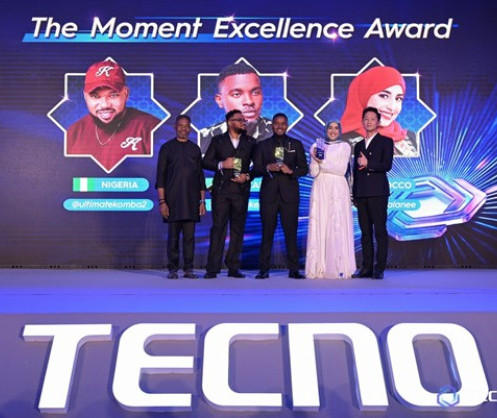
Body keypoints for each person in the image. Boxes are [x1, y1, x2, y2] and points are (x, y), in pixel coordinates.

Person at [67, 59, 161, 172]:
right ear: (85, 96)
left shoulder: (150, 128)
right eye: (95, 96)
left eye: (113, 95)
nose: (104, 104)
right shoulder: (75, 131)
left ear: (126, 93)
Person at [252, 113, 308, 279]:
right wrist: (267, 167)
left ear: (287, 125)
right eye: (277, 123)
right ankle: (263, 269)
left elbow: (304, 169)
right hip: (268, 195)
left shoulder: (296, 144)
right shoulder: (262, 145)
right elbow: (256, 169)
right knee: (267, 233)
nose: (280, 126)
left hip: (289, 195)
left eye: (283, 123)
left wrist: (291, 171)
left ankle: (294, 269)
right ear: (272, 125)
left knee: (291, 233)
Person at [202, 109, 256, 278]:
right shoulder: (218, 140)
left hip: (241, 192)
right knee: (218, 228)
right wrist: (221, 164)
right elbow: (206, 162)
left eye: (243, 120)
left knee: (237, 229)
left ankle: (233, 266)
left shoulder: (250, 142)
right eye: (239, 120)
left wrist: (247, 176)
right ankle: (212, 268)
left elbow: (259, 165)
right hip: (221, 191)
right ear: (229, 122)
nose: (243, 123)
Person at [155, 115, 206, 279]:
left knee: (190, 238)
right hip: (172, 201)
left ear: (190, 128)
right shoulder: (167, 148)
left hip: (191, 201)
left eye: (186, 126)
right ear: (175, 127)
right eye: (180, 125)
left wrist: (202, 201)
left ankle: (189, 269)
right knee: (173, 238)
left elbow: (200, 177)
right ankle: (173, 269)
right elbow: (160, 177)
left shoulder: (195, 149)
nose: (183, 128)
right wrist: (162, 202)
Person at [306, 120, 356, 279]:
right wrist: (315, 159)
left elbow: (341, 170)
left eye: (336, 128)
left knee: (336, 223)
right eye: (330, 128)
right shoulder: (316, 145)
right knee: (320, 222)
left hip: (337, 188)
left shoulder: (344, 146)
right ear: (325, 129)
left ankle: (338, 267)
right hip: (320, 187)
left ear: (340, 130)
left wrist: (322, 161)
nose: (333, 131)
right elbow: (314, 172)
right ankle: (318, 266)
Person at [352, 107, 393, 280]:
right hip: (362, 193)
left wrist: (368, 164)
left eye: (372, 119)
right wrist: (354, 193)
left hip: (378, 193)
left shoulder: (386, 142)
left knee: (380, 231)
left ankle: (379, 268)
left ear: (378, 122)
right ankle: (366, 267)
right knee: (365, 232)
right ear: (362, 121)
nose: (369, 121)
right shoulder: (358, 145)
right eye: (366, 119)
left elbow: (387, 165)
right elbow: (356, 171)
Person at [340, 66, 417, 157]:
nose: (392, 107)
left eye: (398, 98)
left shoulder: (411, 137)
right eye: (384, 96)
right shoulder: (340, 144)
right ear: (363, 96)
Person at [199, 62, 272, 153]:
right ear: (220, 101)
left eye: (255, 93)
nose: (249, 101)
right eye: (237, 94)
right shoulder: (203, 138)